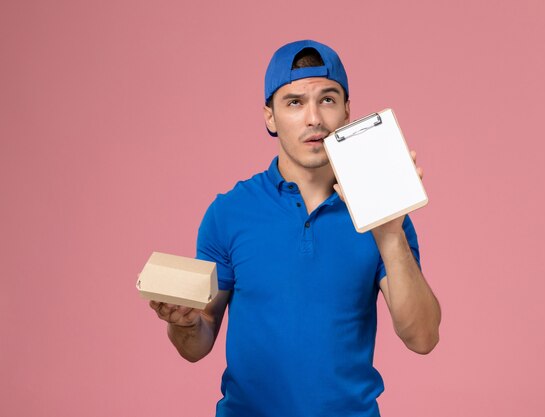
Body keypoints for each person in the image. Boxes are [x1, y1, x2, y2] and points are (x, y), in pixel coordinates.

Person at [149, 39, 441, 417]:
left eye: (328, 99)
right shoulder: (229, 212)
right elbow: (197, 346)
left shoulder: (385, 213)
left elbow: (423, 337)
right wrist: (185, 323)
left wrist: (389, 235)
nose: (314, 118)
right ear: (269, 116)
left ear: (348, 111)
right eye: (294, 102)